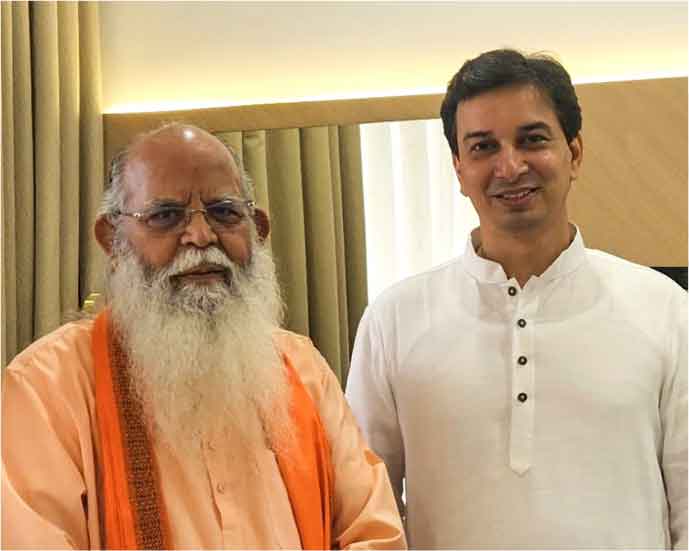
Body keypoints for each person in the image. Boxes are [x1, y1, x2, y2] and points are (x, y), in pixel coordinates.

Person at [2, 123, 406, 549]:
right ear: (113, 241)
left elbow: (372, 531)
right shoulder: (46, 388)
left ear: (259, 229)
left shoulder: (301, 369)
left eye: (224, 211)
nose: (200, 236)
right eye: (165, 216)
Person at [345, 48, 687, 549]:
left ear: (574, 153)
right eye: (483, 147)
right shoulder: (394, 319)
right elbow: (365, 509)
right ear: (459, 169)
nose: (510, 166)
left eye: (532, 140)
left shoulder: (665, 308)